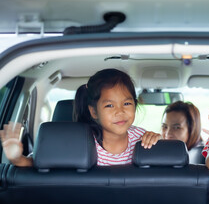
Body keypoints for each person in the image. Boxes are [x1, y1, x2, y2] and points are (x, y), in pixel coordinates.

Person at [0, 68, 161, 166]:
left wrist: (156, 140)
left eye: (127, 104)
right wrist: (16, 158)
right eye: (109, 105)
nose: (120, 112)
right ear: (94, 112)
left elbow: (165, 159)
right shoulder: (79, 140)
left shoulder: (140, 136)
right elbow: (41, 163)